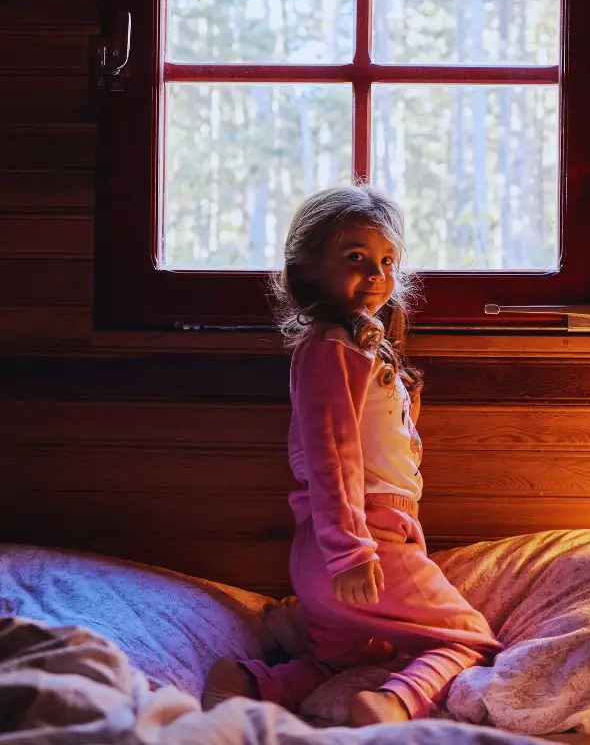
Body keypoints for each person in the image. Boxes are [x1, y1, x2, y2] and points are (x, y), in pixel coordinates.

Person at [202, 184, 500, 725]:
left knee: (347, 659)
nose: (376, 274)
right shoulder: (330, 348)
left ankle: (254, 681)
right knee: (472, 639)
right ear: (310, 268)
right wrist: (351, 551)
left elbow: (379, 442)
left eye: (387, 261)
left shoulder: (356, 345)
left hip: (324, 551)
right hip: (358, 542)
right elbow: (331, 453)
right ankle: (393, 702)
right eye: (356, 258)